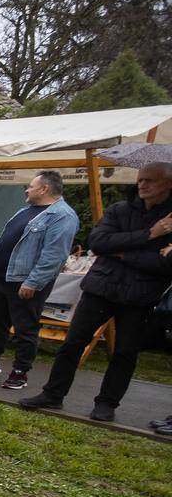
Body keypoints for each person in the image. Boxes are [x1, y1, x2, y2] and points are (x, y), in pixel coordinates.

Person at [21, 162, 172, 422]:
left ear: (168, 184)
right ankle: (53, 394)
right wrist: (149, 235)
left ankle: (106, 403)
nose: (142, 185)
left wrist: (122, 252)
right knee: (73, 343)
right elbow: (98, 243)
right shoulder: (121, 210)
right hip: (100, 288)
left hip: (140, 295)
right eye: (140, 179)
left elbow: (165, 264)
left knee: (125, 352)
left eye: (150, 180)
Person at [0, 171, 78, 390]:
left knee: (25, 329)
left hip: (25, 282)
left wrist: (33, 282)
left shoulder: (62, 216)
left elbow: (54, 255)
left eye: (31, 186)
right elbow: (6, 240)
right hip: (4, 279)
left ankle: (20, 373)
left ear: (44, 189)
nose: (27, 190)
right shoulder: (26, 210)